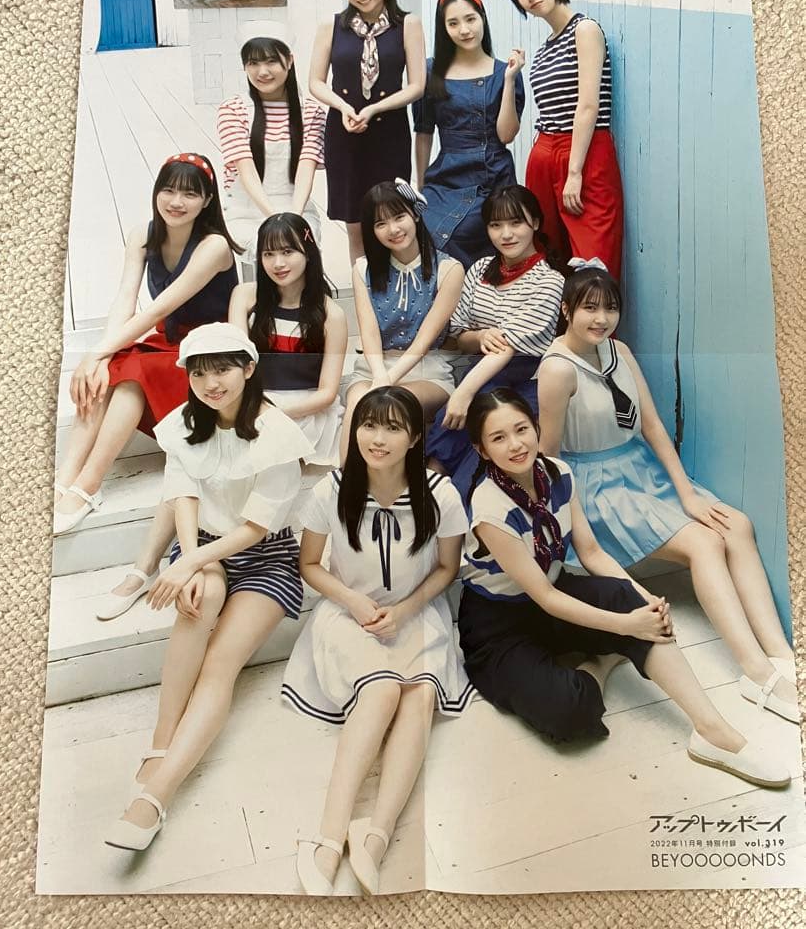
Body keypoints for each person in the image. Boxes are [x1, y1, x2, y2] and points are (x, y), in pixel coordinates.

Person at [459, 387, 790, 788]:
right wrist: (625, 626)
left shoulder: (557, 473)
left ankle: (713, 732)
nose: (515, 444)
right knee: (569, 714)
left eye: (521, 429)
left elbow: (592, 552)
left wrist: (643, 599)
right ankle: (600, 661)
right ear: (481, 449)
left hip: (555, 587)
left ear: (535, 427)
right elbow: (545, 599)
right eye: (498, 438)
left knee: (632, 603)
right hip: (500, 623)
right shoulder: (490, 508)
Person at [536, 261, 798, 723]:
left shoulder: (619, 351)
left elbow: (654, 426)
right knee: (704, 543)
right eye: (589, 308)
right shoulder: (557, 370)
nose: (601, 318)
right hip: (595, 488)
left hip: (640, 470)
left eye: (610, 308)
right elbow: (549, 457)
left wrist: (688, 495)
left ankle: (782, 656)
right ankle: (755, 672)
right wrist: (570, 526)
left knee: (736, 525)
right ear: (566, 311)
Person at [104, 323, 313, 851]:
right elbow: (184, 494)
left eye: (222, 369)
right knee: (204, 597)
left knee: (220, 664)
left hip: (265, 556)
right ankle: (161, 741)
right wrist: (191, 559)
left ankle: (155, 799)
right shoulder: (184, 423)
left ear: (249, 368)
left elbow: (257, 528)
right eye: (199, 373)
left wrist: (189, 563)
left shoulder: (277, 434)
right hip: (202, 542)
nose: (210, 383)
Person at [282, 387, 474, 895]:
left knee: (421, 694)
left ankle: (376, 834)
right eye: (368, 424)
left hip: (417, 611)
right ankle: (328, 836)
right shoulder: (332, 490)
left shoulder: (440, 494)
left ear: (415, 437)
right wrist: (353, 601)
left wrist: (405, 609)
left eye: (392, 427)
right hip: (347, 612)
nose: (377, 437)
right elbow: (309, 566)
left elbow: (447, 568)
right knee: (383, 688)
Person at [55, 151, 240, 624]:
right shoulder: (143, 234)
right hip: (168, 343)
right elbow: (125, 301)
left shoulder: (214, 246)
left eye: (189, 193)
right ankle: (66, 478)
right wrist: (99, 355)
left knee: (134, 371)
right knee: (112, 368)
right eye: (168, 190)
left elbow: (159, 308)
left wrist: (101, 353)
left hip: (207, 354)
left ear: (207, 200)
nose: (176, 201)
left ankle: (89, 486)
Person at [426, 185, 564, 503]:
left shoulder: (549, 281)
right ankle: (433, 485)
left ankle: (454, 496)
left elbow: (508, 348)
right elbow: (457, 335)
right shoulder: (479, 270)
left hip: (529, 379)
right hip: (482, 371)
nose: (506, 234)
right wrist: (479, 337)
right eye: (496, 225)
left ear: (535, 223)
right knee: (469, 411)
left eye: (516, 223)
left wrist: (463, 393)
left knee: (491, 425)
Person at [502, 0, 623, 278]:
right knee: (547, 256)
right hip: (544, 152)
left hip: (584, 151)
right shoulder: (542, 51)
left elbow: (588, 105)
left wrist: (575, 172)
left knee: (593, 262)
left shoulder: (585, 30)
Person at [308, 0, 426, 264]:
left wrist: (374, 109)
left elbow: (417, 85)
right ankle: (363, 288)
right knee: (356, 224)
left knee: (394, 219)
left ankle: (398, 283)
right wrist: (343, 107)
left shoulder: (408, 24)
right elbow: (315, 82)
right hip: (344, 133)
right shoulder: (331, 26)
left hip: (389, 132)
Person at [341, 179, 464, 458]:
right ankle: (346, 480)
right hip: (373, 367)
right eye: (381, 223)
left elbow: (423, 341)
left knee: (392, 406)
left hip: (427, 370)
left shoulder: (449, 269)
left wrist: (388, 381)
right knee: (358, 405)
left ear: (415, 215)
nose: (393, 229)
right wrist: (380, 376)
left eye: (399, 217)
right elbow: (369, 333)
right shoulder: (363, 269)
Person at [413, 0, 525, 267]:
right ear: (443, 28)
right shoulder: (430, 71)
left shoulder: (504, 71)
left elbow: (506, 135)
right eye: (453, 23)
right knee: (424, 229)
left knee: (471, 231)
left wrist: (509, 79)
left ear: (482, 18)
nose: (464, 30)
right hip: (446, 175)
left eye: (470, 19)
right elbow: (424, 132)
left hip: (493, 176)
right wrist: (421, 184)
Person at [228, 212, 347, 470]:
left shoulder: (331, 315)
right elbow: (237, 364)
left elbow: (327, 393)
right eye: (268, 254)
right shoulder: (245, 296)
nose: (278, 263)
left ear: (308, 253)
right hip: (256, 402)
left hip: (307, 411)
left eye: (287, 252)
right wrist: (256, 410)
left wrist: (277, 416)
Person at [216, 24, 325, 272]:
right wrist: (275, 220)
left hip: (297, 207)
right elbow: (246, 171)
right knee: (267, 249)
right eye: (253, 63)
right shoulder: (232, 109)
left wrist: (293, 220)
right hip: (245, 210)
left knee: (299, 248)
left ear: (290, 60)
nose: (262, 72)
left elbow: (305, 170)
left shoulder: (311, 111)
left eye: (271, 61)